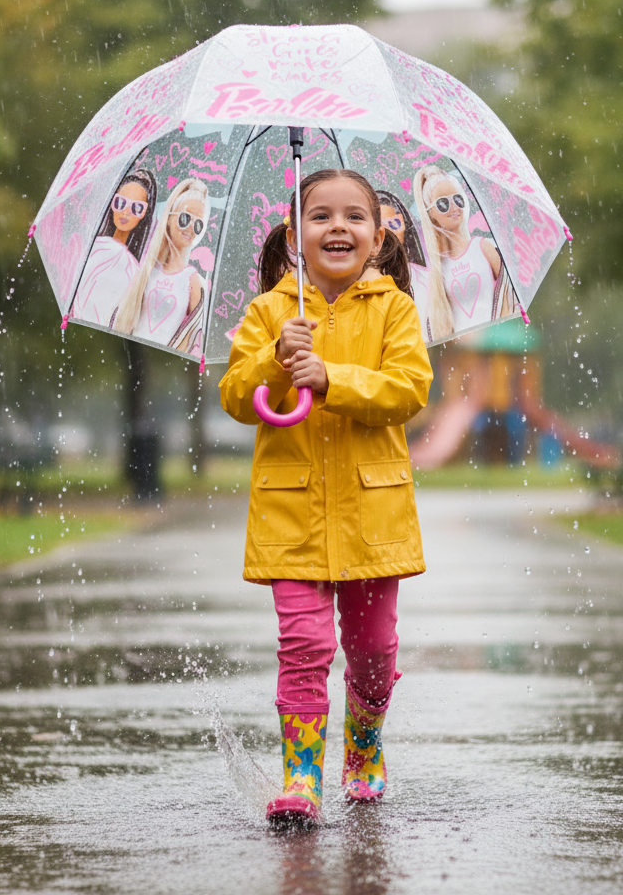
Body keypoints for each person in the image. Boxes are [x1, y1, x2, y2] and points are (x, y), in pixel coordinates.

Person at [220, 168, 433, 828]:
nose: (337, 227)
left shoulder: (394, 308)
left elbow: (407, 390)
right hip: (293, 513)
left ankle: (363, 749)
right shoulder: (268, 313)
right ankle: (302, 778)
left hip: (374, 513)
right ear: (294, 235)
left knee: (373, 650)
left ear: (377, 238)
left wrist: (331, 376)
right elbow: (236, 399)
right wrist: (274, 362)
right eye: (320, 216)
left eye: (354, 217)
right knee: (304, 644)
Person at [114, 177, 207, 352]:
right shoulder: (147, 270)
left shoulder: (192, 282)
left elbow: (190, 342)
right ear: (170, 218)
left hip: (162, 365)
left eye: (198, 224)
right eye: (185, 218)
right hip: (131, 356)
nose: (190, 228)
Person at [413, 165, 503, 337]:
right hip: (463, 355)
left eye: (458, 199)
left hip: (495, 340)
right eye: (443, 204)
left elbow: (507, 294)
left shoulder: (483, 247)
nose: (454, 207)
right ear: (431, 214)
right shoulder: (437, 272)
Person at [72, 166, 156, 327]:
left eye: (137, 208)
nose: (125, 212)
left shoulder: (134, 271)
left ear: (144, 215)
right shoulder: (91, 247)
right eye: (120, 203)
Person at [376, 188, 432, 341]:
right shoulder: (359, 288)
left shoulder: (428, 279)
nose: (386, 236)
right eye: (377, 228)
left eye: (392, 224)